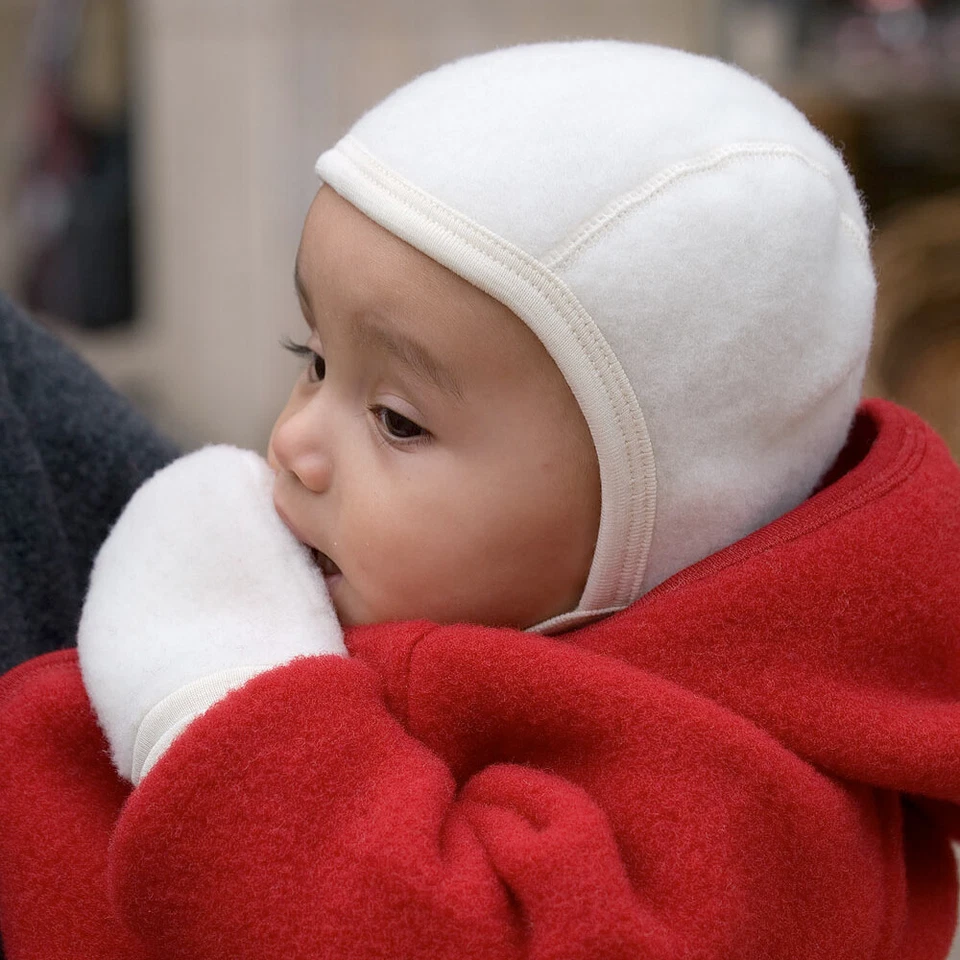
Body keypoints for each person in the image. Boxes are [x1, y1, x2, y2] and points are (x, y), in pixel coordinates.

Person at [1, 41, 959, 960]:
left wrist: (221, 693)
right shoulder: (462, 594)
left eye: (397, 421)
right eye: (315, 360)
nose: (293, 442)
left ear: (660, 526)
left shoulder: (746, 813)